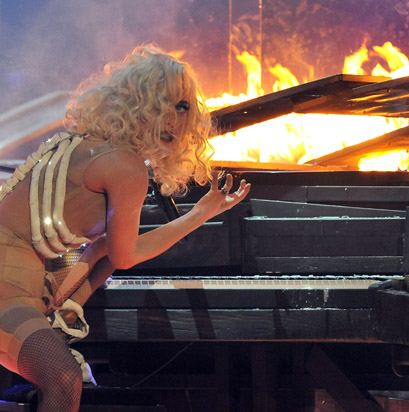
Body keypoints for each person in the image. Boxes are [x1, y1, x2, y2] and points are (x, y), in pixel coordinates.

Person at [0, 44, 250, 411]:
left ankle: (53, 328)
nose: (175, 119)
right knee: (64, 378)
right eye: (164, 103)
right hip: (8, 287)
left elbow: (107, 251)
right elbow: (126, 255)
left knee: (103, 251)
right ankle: (53, 336)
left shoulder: (84, 144)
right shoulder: (126, 167)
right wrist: (199, 214)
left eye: (183, 106)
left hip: (19, 280)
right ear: (138, 103)